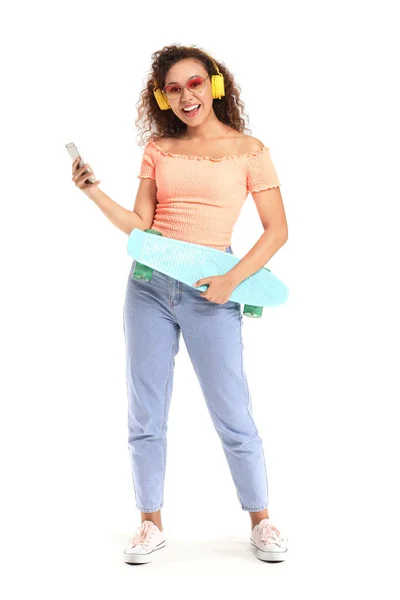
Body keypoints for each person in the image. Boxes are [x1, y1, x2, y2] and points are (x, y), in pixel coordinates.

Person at [71, 44, 289, 564]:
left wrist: (232, 280)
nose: (185, 95)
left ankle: (261, 521)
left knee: (232, 411)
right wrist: (92, 192)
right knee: (145, 411)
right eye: (173, 88)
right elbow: (142, 228)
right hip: (147, 287)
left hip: (212, 291)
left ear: (213, 85)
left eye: (194, 84)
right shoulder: (158, 148)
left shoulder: (249, 149)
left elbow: (277, 230)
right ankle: (150, 524)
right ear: (162, 97)